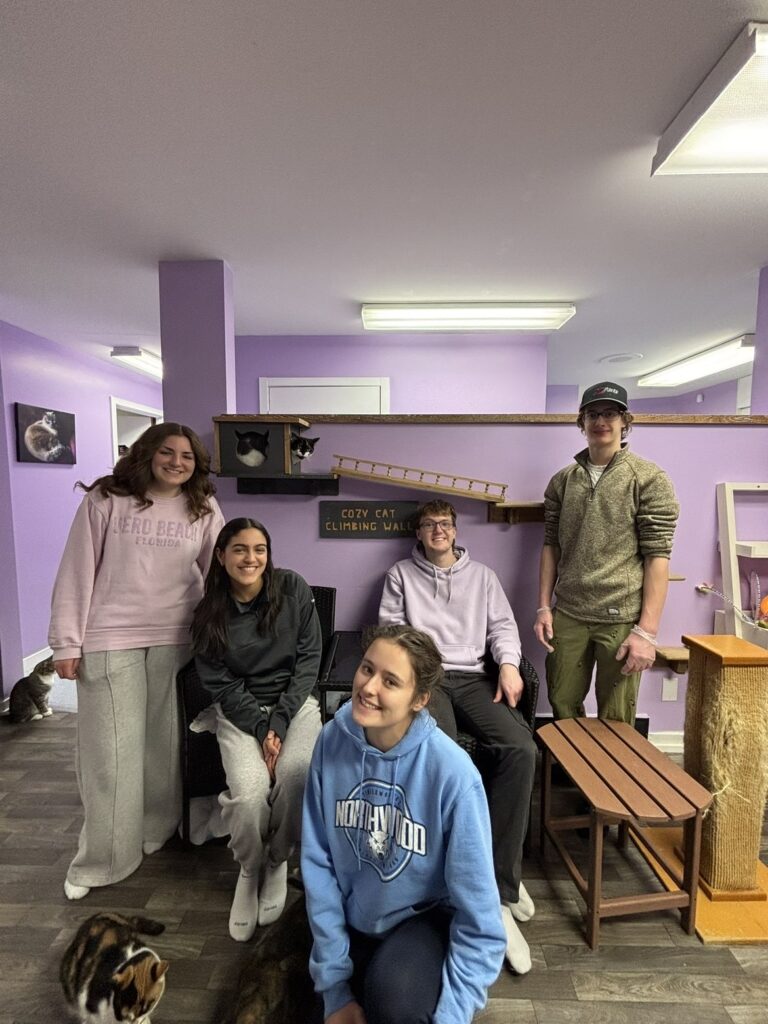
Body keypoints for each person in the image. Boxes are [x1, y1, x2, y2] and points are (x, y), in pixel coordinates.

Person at [49, 422, 225, 901]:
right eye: (167, 452)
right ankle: (101, 860)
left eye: (187, 456)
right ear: (148, 454)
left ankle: (154, 829)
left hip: (177, 637)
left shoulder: (203, 506)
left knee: (163, 746)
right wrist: (66, 641)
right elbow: (76, 568)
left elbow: (218, 572)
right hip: (109, 637)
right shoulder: (107, 499)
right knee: (110, 753)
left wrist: (221, 635)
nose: (176, 462)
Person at [302, 625, 506, 1024]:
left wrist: (452, 1014)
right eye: (366, 669)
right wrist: (335, 991)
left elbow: (479, 914)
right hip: (354, 909)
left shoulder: (454, 775)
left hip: (422, 917)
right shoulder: (331, 740)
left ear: (420, 699)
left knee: (395, 1006)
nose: (368, 687)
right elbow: (318, 861)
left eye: (390, 681)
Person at [378, 500, 535, 975]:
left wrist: (508, 664)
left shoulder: (483, 576)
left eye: (446, 524)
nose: (439, 531)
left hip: (474, 677)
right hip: (426, 679)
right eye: (430, 525)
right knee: (449, 761)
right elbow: (389, 630)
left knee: (521, 749)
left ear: (455, 530)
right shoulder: (400, 574)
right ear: (419, 533)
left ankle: (502, 886)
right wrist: (410, 678)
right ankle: (463, 882)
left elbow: (504, 627)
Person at [192, 517, 322, 942]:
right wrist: (262, 727)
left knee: (297, 772)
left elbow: (308, 663)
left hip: (295, 705)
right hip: (239, 711)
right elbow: (221, 684)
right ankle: (249, 868)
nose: (251, 558)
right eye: (240, 549)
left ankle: (278, 860)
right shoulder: (208, 612)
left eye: (259, 549)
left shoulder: (293, 589)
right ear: (221, 556)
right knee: (248, 793)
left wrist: (279, 724)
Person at [534, 381, 679, 722]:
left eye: (610, 413)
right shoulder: (562, 481)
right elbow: (550, 545)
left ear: (625, 421)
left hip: (622, 619)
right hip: (568, 614)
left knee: (616, 719)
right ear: (581, 422)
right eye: (593, 414)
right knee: (563, 707)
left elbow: (658, 556)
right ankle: (572, 775)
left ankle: (612, 778)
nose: (601, 421)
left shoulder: (648, 478)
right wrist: (543, 607)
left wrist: (646, 632)